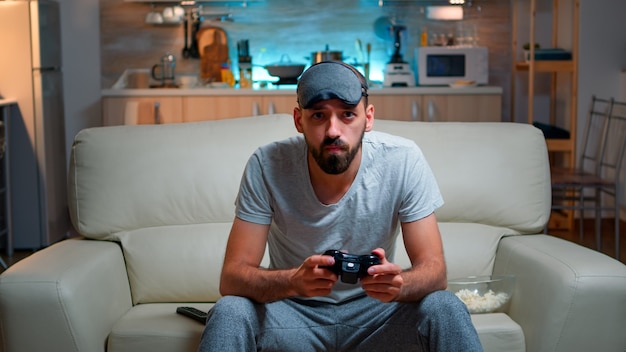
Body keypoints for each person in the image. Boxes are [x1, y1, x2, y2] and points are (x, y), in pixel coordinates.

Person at [198, 61, 482, 351]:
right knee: (230, 311)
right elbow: (232, 277)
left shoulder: (403, 159)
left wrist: (399, 285)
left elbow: (435, 271)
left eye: (347, 114)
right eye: (319, 115)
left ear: (368, 118)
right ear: (299, 120)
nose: (333, 130)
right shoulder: (266, 164)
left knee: (444, 306)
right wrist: (293, 282)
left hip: (377, 315)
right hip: (292, 315)